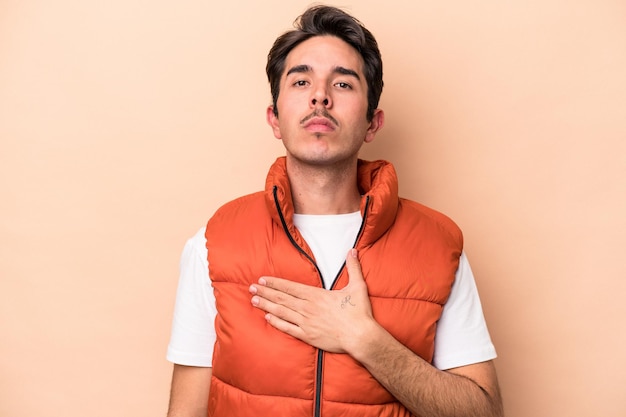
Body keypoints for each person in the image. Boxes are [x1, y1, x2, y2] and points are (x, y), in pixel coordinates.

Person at [166, 5, 503, 417]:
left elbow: (483, 413)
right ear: (275, 118)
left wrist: (364, 339)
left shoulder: (437, 245)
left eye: (342, 84)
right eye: (301, 80)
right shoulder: (213, 244)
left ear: (372, 123)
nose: (320, 95)